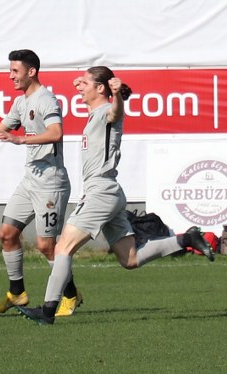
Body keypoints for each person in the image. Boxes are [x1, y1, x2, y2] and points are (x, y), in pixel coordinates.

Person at [17, 67, 215, 325]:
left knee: (63, 247)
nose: (80, 87)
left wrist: (117, 95)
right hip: (108, 191)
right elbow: (94, 93)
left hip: (100, 192)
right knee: (130, 259)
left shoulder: (106, 112)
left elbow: (116, 111)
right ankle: (185, 239)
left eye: (86, 83)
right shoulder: (94, 113)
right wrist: (83, 81)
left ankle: (47, 312)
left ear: (101, 89)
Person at [0, 49, 81, 317]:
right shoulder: (21, 102)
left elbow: (56, 133)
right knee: (7, 233)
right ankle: (17, 294)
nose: (10, 76)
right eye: (10, 71)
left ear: (31, 71)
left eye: (15, 71)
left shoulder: (46, 99)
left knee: (46, 246)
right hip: (30, 180)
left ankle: (71, 295)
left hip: (50, 183)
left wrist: (21, 139)